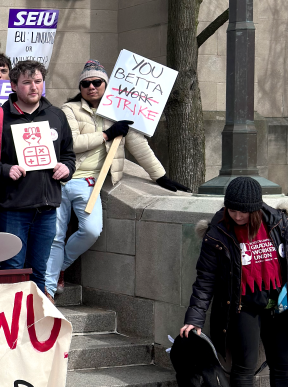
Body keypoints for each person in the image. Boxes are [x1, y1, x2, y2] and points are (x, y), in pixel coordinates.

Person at [45, 60, 190, 298]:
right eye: (86, 83)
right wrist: (106, 134)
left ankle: (59, 266)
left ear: (106, 84)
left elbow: (139, 146)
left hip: (89, 182)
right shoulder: (68, 110)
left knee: (91, 230)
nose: (91, 87)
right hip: (60, 179)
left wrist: (161, 177)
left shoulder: (121, 112)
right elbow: (70, 144)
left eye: (97, 82)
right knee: (55, 237)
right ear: (80, 87)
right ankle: (48, 290)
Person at [0, 60, 75, 297]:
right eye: (27, 82)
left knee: (38, 272)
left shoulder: (57, 116)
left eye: (38, 81)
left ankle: (33, 323)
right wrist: (5, 169)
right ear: (13, 85)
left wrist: (67, 169)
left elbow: (69, 155)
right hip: (13, 210)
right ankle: (12, 325)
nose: (34, 87)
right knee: (13, 271)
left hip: (47, 209)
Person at [181, 177, 288, 387]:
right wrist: (194, 318)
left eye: (243, 212)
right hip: (243, 306)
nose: (237, 216)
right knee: (243, 368)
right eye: (232, 210)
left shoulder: (278, 223)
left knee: (283, 365)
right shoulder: (217, 232)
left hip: (279, 304)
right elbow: (205, 279)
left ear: (255, 208)